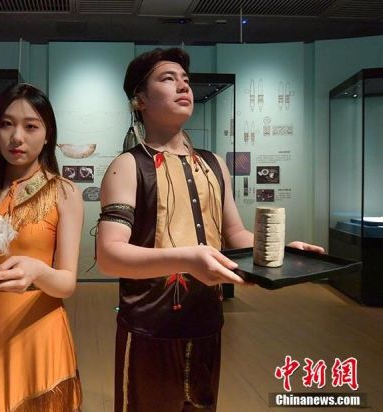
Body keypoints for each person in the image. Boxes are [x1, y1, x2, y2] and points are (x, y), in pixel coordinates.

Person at [96, 48, 323, 412]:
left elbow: (236, 235)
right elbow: (109, 255)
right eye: (168, 79)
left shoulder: (214, 163)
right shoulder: (128, 165)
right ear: (139, 100)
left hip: (207, 323)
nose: (183, 86)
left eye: (185, 80)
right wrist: (189, 260)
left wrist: (284, 252)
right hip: (150, 328)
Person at [0, 83, 83, 412]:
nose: (17, 137)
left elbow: (66, 283)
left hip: (37, 326)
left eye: (31, 126)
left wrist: (38, 271)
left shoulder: (64, 192)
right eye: (6, 124)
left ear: (48, 134)